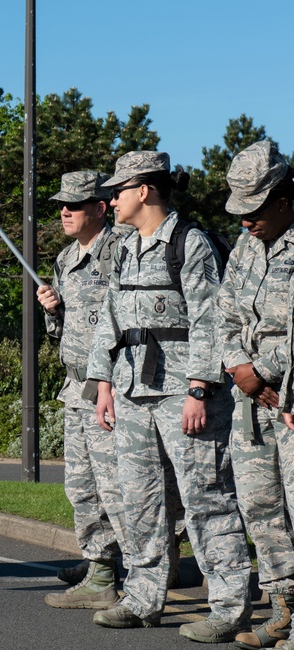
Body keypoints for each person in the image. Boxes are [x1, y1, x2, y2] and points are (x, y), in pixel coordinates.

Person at [86, 151, 251, 643]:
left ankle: (228, 606)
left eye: (119, 189)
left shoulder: (190, 243)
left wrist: (200, 387)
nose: (110, 199)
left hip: (184, 393)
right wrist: (103, 383)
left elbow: (209, 321)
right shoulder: (123, 246)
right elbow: (109, 317)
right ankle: (142, 597)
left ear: (145, 190)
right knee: (139, 501)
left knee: (207, 499)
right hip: (134, 391)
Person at [36, 171, 129, 610]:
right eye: (62, 204)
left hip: (109, 386)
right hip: (74, 387)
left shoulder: (119, 251)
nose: (64, 211)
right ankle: (100, 563)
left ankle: (126, 567)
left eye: (74, 204)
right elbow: (64, 332)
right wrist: (53, 311)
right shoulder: (66, 257)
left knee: (116, 485)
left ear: (100, 207)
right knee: (81, 485)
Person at [217, 141, 294, 649]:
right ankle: (284, 608)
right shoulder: (247, 245)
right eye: (239, 212)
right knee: (260, 509)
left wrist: (261, 370)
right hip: (251, 403)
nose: (245, 222)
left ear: (285, 196)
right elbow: (223, 312)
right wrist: (238, 367)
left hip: (287, 399)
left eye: (255, 210)